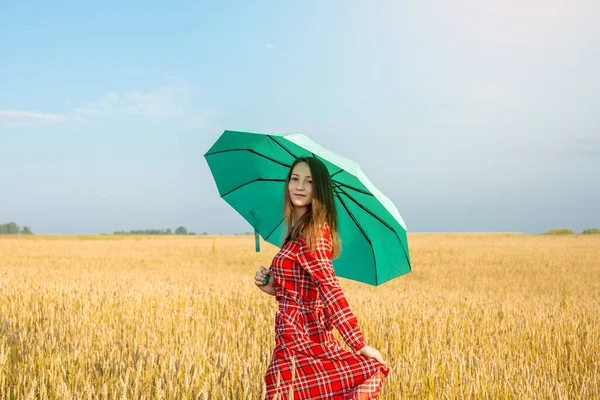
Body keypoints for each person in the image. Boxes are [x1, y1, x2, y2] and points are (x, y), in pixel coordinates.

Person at [254, 156, 390, 399]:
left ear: (319, 189)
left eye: (309, 181)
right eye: (294, 179)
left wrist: (359, 344)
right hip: (288, 336)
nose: (299, 186)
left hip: (305, 339)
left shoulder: (315, 233)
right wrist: (273, 285)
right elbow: (302, 288)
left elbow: (330, 289)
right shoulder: (298, 231)